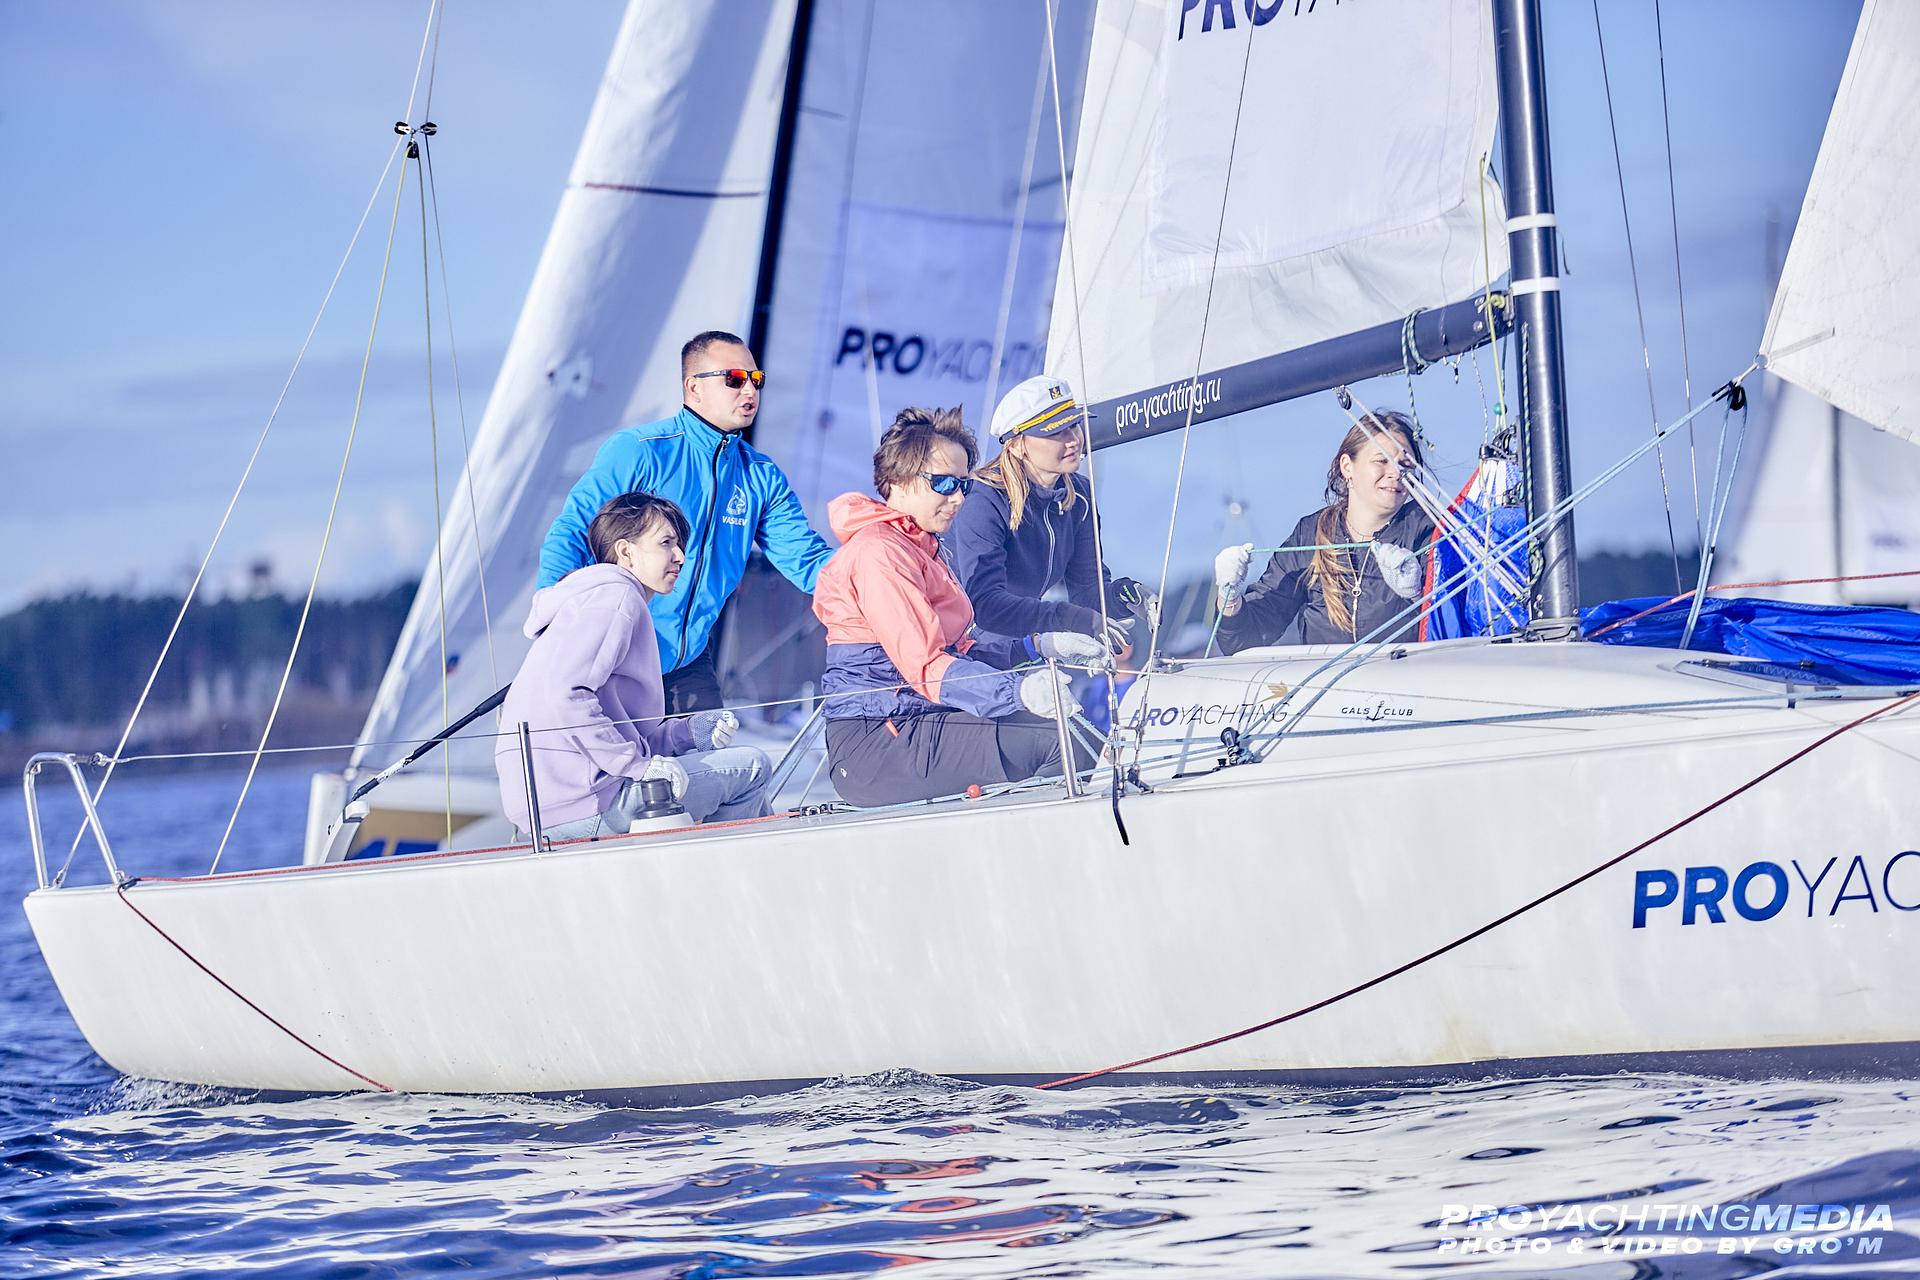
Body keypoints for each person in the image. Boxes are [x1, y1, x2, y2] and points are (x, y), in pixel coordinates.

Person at [811, 406, 1100, 807]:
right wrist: (1019, 691)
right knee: (1062, 741)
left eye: (963, 484)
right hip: (875, 742)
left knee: (1075, 731)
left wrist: (1036, 647)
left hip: (917, 721)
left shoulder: (921, 548)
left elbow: (957, 650)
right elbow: (927, 666)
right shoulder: (879, 554)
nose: (959, 498)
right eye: (944, 483)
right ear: (899, 480)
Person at [537, 330, 833, 714]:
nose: (749, 391)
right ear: (694, 388)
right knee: (609, 753)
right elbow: (575, 529)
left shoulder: (761, 475)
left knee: (709, 750)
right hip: (616, 648)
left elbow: (808, 561)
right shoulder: (639, 451)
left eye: (756, 380)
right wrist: (553, 623)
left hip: (688, 660)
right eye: (734, 379)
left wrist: (881, 582)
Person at [498, 492, 773, 839]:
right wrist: (638, 768)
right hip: (588, 800)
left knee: (734, 774)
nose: (680, 556)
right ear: (626, 552)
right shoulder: (617, 597)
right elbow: (566, 694)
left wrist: (689, 732)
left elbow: (624, 732)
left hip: (549, 808)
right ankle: (724, 869)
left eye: (680, 544)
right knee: (752, 768)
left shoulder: (588, 600)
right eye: (666, 543)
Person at [943, 375, 1147, 650]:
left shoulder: (1080, 496)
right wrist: (1067, 620)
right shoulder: (983, 499)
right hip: (962, 648)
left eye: (1074, 425)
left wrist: (1127, 595)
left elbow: (1087, 593)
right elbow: (986, 605)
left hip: (1022, 644)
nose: (1073, 440)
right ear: (1016, 445)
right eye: (1055, 432)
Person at [1212, 411, 1436, 649]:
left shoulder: (1428, 531)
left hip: (1405, 671)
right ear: (1347, 466)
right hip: (1328, 673)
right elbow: (1244, 639)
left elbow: (1455, 622)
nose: (1396, 473)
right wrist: (1229, 597)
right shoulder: (1309, 534)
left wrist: (1417, 595)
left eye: (1406, 465)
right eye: (1382, 460)